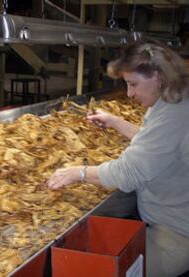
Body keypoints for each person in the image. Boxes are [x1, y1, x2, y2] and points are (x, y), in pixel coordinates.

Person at [45, 43, 189, 277]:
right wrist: (114, 121)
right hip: (164, 220)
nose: (130, 93)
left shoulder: (175, 112)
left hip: (176, 234)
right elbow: (153, 142)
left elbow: (127, 174)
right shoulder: (171, 101)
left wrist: (78, 173)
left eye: (133, 84)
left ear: (158, 77)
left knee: (97, 273)